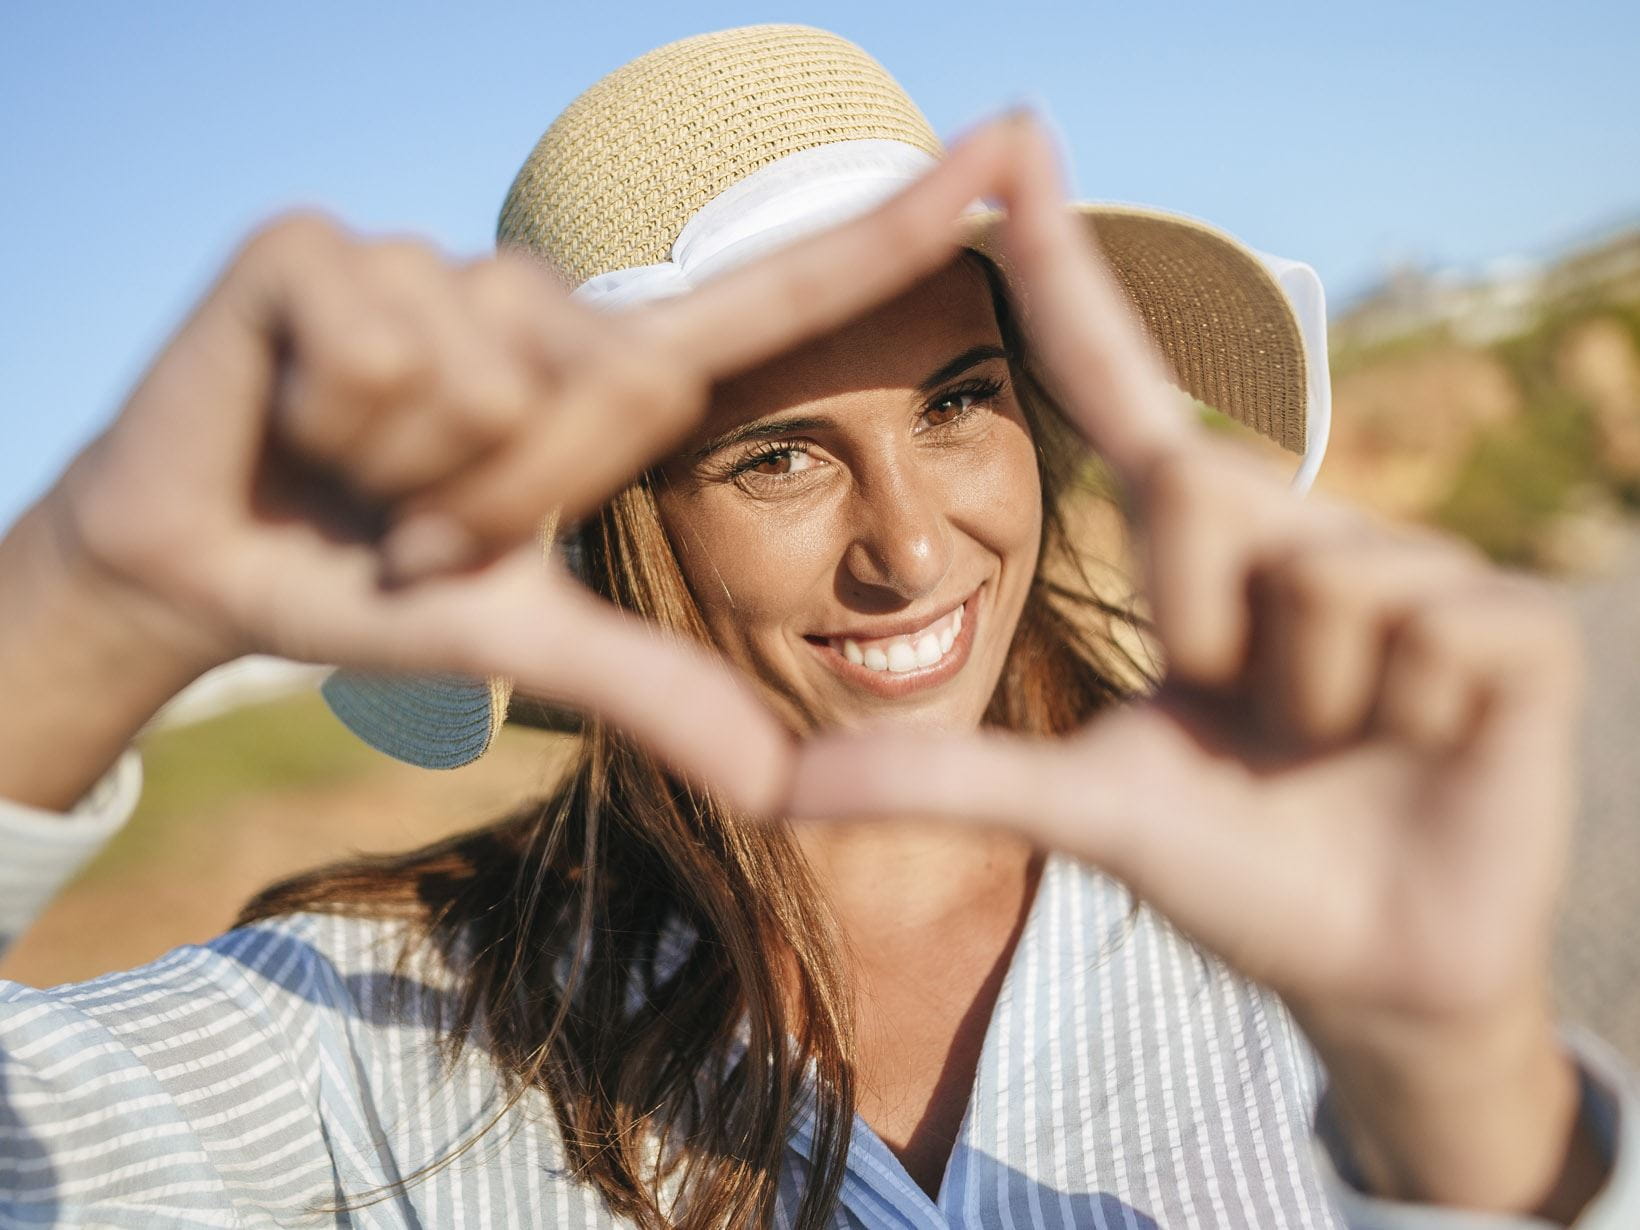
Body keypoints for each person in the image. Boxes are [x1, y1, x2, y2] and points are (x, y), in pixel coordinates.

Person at [1, 23, 1635, 1229]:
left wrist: (1453, 1076)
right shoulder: (376, 1030)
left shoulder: (1297, 895)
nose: (916, 544)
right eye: (774, 455)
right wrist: (80, 603)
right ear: (604, 535)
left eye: (959, 401)